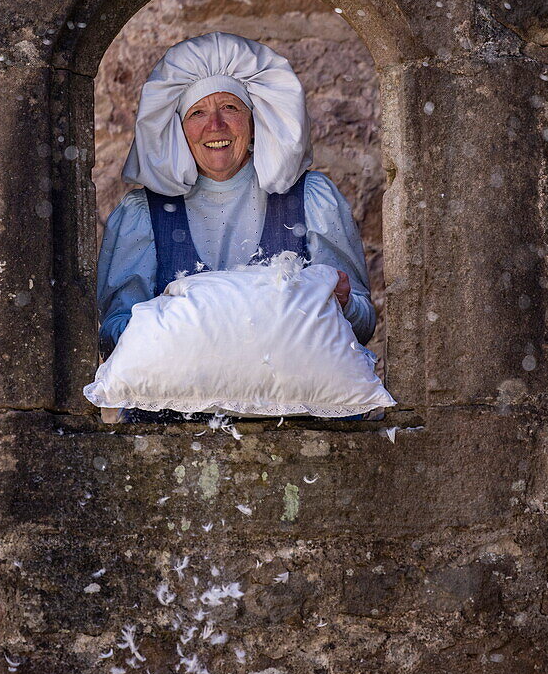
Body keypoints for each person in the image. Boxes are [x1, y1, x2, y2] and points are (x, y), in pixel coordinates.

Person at [96, 32, 376, 412]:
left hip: (299, 428)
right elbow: (112, 333)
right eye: (197, 113)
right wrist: (161, 320)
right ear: (179, 128)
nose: (215, 126)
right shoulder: (142, 213)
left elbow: (362, 323)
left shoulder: (311, 198)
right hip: (170, 432)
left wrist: (343, 305)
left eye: (229, 107)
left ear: (254, 120)